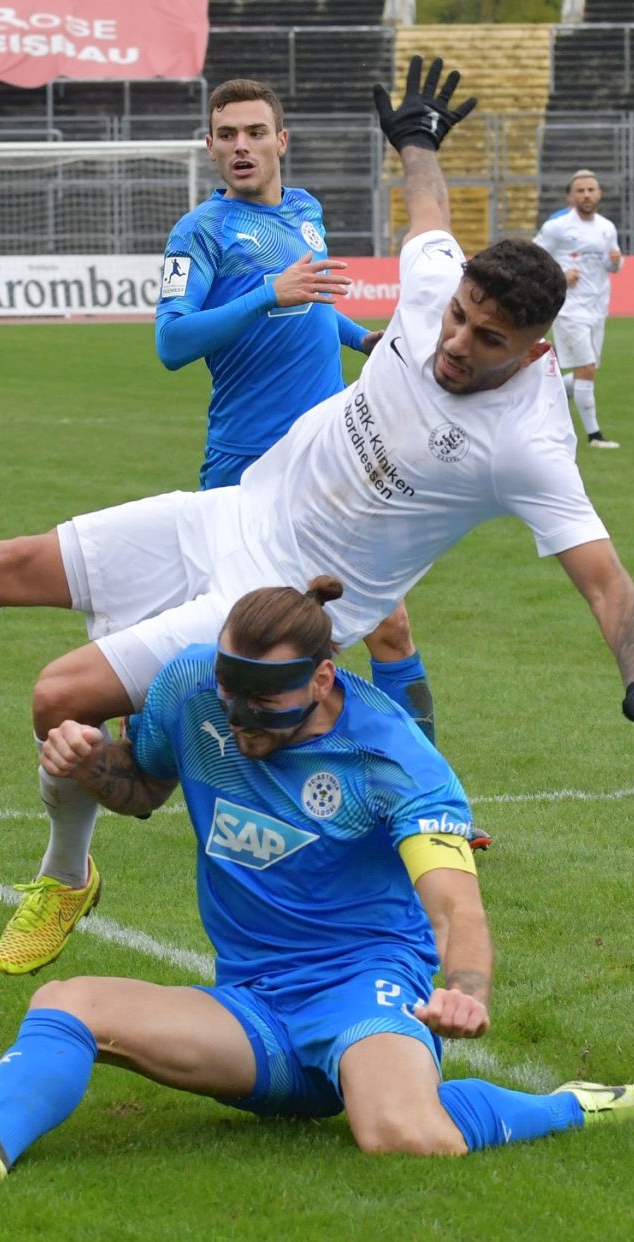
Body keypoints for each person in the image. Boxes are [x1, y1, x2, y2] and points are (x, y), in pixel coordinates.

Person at [0, 55, 634, 981]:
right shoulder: (435, 284)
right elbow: (429, 213)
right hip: (228, 511)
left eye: (486, 340)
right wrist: (418, 140)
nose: (456, 343)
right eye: (458, 317)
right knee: (11, 562)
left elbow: (604, 577)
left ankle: (67, 874)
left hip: (277, 601)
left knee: (57, 696)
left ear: (534, 352)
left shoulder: (529, 442)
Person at [0, 579, 634, 1178]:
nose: (241, 720)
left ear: (322, 679)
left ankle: (580, 1104)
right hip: (251, 1010)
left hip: (365, 992)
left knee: (402, 1135)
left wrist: (465, 989)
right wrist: (89, 760)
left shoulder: (395, 760)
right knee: (67, 1003)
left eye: (265, 703)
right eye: (231, 695)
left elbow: (454, 907)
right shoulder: (190, 686)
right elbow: (141, 790)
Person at [157, 78, 450, 770]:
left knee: (388, 623)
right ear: (210, 147)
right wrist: (267, 293)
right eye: (228, 135)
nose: (242, 146)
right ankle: (146, 733)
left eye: (255, 132)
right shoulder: (200, 231)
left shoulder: (305, 209)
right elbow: (171, 341)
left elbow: (310, 302)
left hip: (329, 459)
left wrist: (359, 337)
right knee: (232, 637)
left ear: (281, 141)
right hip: (247, 464)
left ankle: (419, 783)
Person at [534, 170, 622, 448]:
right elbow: (533, 259)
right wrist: (560, 275)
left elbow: (611, 266)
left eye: (591, 190)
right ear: (570, 197)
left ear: (599, 194)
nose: (586, 195)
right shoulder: (557, 227)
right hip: (569, 309)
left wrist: (616, 262)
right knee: (586, 368)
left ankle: (540, 393)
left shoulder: (607, 227)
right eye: (580, 191)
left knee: (589, 369)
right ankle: (594, 436)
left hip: (597, 308)